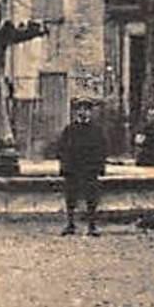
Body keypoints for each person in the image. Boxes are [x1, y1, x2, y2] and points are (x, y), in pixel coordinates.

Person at [56, 97, 108, 236]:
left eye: (86, 109)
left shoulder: (97, 130)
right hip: (73, 169)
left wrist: (99, 167)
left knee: (92, 197)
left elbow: (102, 150)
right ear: (76, 112)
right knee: (70, 197)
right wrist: (64, 167)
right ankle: (70, 224)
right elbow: (61, 149)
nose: (83, 112)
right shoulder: (70, 129)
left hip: (90, 169)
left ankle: (92, 225)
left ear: (91, 112)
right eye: (80, 109)